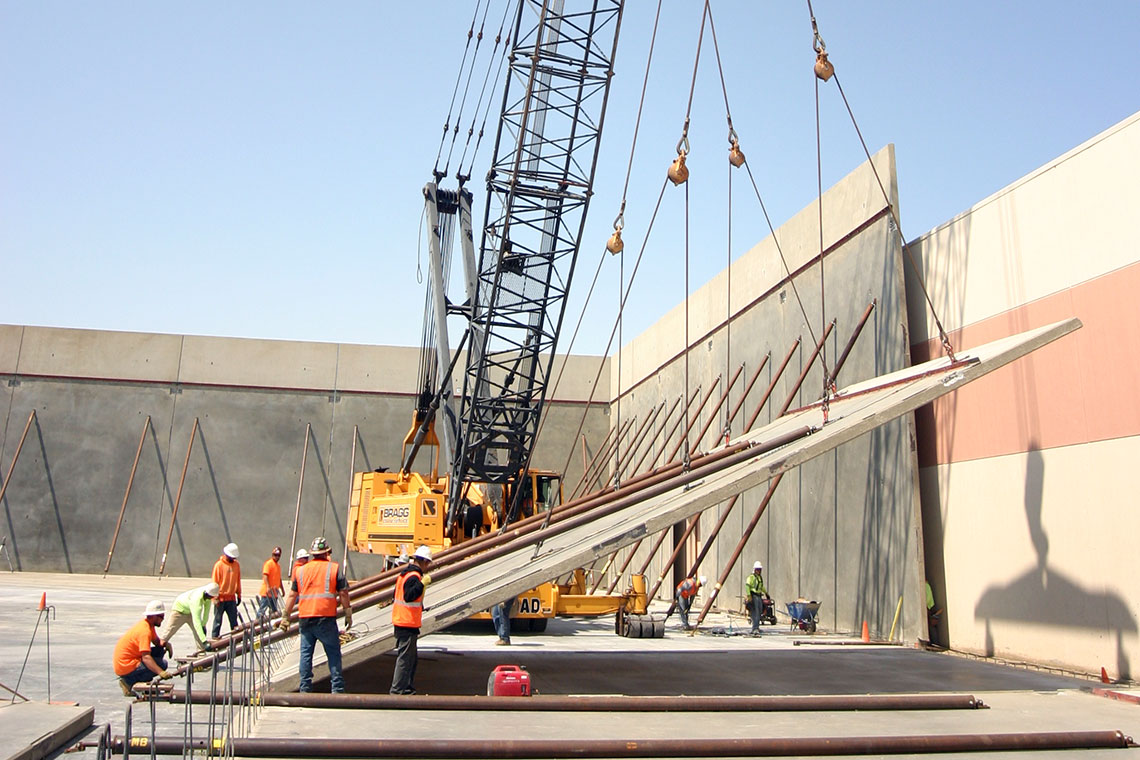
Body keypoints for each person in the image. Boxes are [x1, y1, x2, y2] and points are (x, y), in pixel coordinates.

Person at [278, 536, 352, 693]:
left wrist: (286, 616)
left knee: (306, 655)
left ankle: (305, 688)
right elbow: (343, 592)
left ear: (312, 554)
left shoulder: (301, 571)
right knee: (333, 653)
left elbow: (292, 595)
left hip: (305, 619)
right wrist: (348, 611)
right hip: (325, 618)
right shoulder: (334, 568)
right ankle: (337, 688)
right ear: (326, 553)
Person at [390, 545, 432, 694]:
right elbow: (409, 596)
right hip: (406, 622)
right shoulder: (413, 577)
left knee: (411, 660)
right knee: (405, 659)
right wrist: (422, 584)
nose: (428, 567)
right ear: (424, 562)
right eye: (428, 563)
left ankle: (406, 688)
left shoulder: (404, 574)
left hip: (404, 621)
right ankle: (397, 691)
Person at [113, 600, 173, 695]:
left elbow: (157, 642)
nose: (163, 619)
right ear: (153, 617)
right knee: (162, 665)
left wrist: (166, 644)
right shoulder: (144, 631)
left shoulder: (149, 625)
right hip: (126, 666)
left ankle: (138, 679)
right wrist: (161, 672)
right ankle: (128, 681)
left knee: (159, 650)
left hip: (129, 661)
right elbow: (146, 658)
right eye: (161, 616)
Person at [162, 582, 219, 654]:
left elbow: (206, 613)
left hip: (190, 611)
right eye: (211, 597)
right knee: (168, 632)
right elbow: (197, 622)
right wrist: (204, 641)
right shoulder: (197, 599)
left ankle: (201, 654)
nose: (211, 598)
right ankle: (157, 651)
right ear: (207, 594)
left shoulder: (208, 596)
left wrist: (203, 625)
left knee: (198, 632)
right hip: (179, 610)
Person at [211, 542, 242, 638]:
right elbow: (214, 582)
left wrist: (239, 594)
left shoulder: (236, 565)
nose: (233, 559)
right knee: (217, 620)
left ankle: (236, 638)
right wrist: (215, 598)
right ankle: (215, 637)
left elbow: (238, 580)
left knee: (234, 621)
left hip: (231, 598)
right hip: (220, 598)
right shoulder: (219, 565)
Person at [257, 546, 284, 618]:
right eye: (275, 555)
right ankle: (257, 623)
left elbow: (279, 579)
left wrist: (282, 589)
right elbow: (265, 576)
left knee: (274, 612)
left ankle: (273, 625)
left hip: (274, 593)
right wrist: (268, 587)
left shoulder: (278, 566)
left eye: (278, 555)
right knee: (262, 610)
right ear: (272, 555)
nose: (277, 557)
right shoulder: (268, 564)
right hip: (267, 593)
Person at [746, 561, 770, 635]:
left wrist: (766, 593)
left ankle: (757, 627)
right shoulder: (751, 577)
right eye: (758, 569)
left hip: (759, 596)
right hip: (754, 596)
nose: (759, 571)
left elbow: (761, 586)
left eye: (760, 569)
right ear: (755, 569)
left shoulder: (759, 578)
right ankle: (754, 628)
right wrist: (749, 596)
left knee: (759, 612)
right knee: (755, 612)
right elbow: (747, 586)